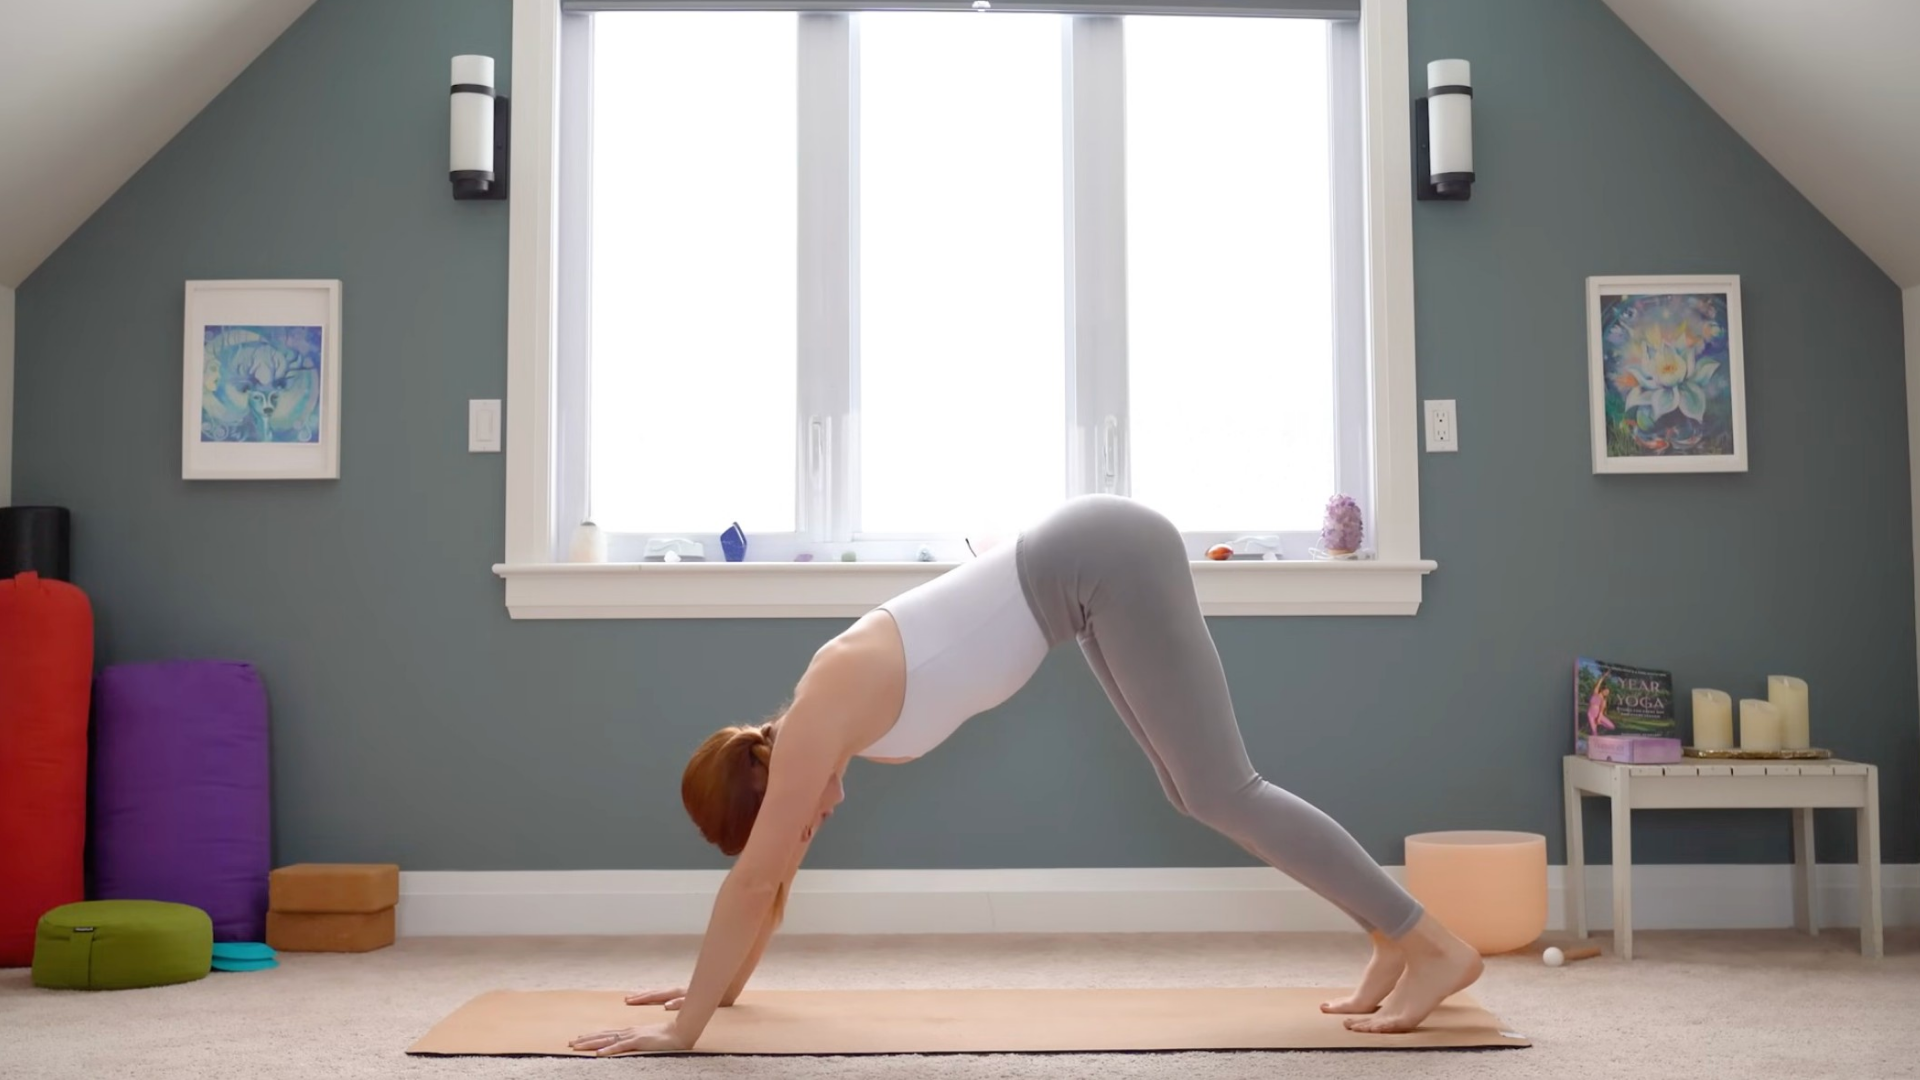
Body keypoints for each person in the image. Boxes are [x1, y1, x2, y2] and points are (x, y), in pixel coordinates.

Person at [569, 494, 1482, 1056]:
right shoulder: (810, 740)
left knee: (1221, 787)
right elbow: (771, 884)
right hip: (1082, 583)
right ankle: (1389, 938)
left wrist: (682, 1033)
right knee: (1192, 791)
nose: (812, 828)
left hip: (1100, 555)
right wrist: (715, 992)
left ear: (771, 792)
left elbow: (754, 879)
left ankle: (1433, 942)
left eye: (792, 822)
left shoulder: (815, 720)